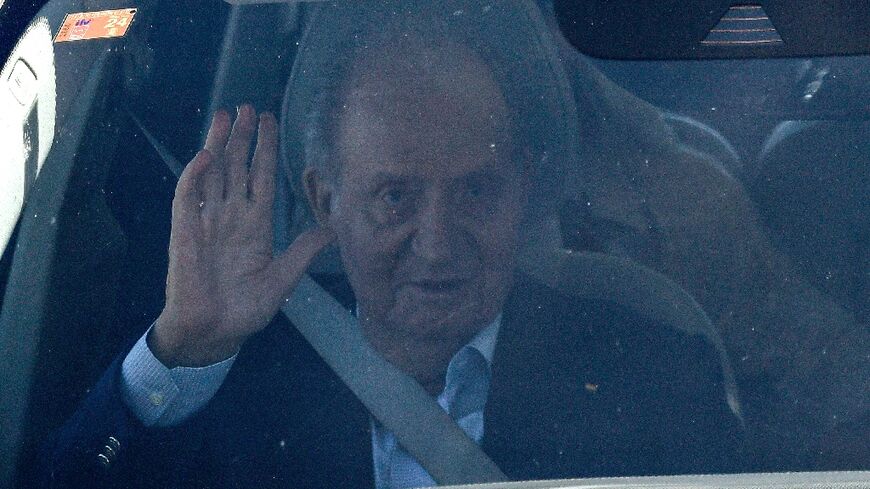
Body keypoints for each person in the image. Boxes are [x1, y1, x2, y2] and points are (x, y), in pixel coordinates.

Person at [38, 6, 744, 488]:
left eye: (475, 192)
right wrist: (184, 352)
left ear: (523, 188)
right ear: (325, 201)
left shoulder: (652, 376)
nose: (435, 246)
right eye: (395, 197)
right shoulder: (231, 381)